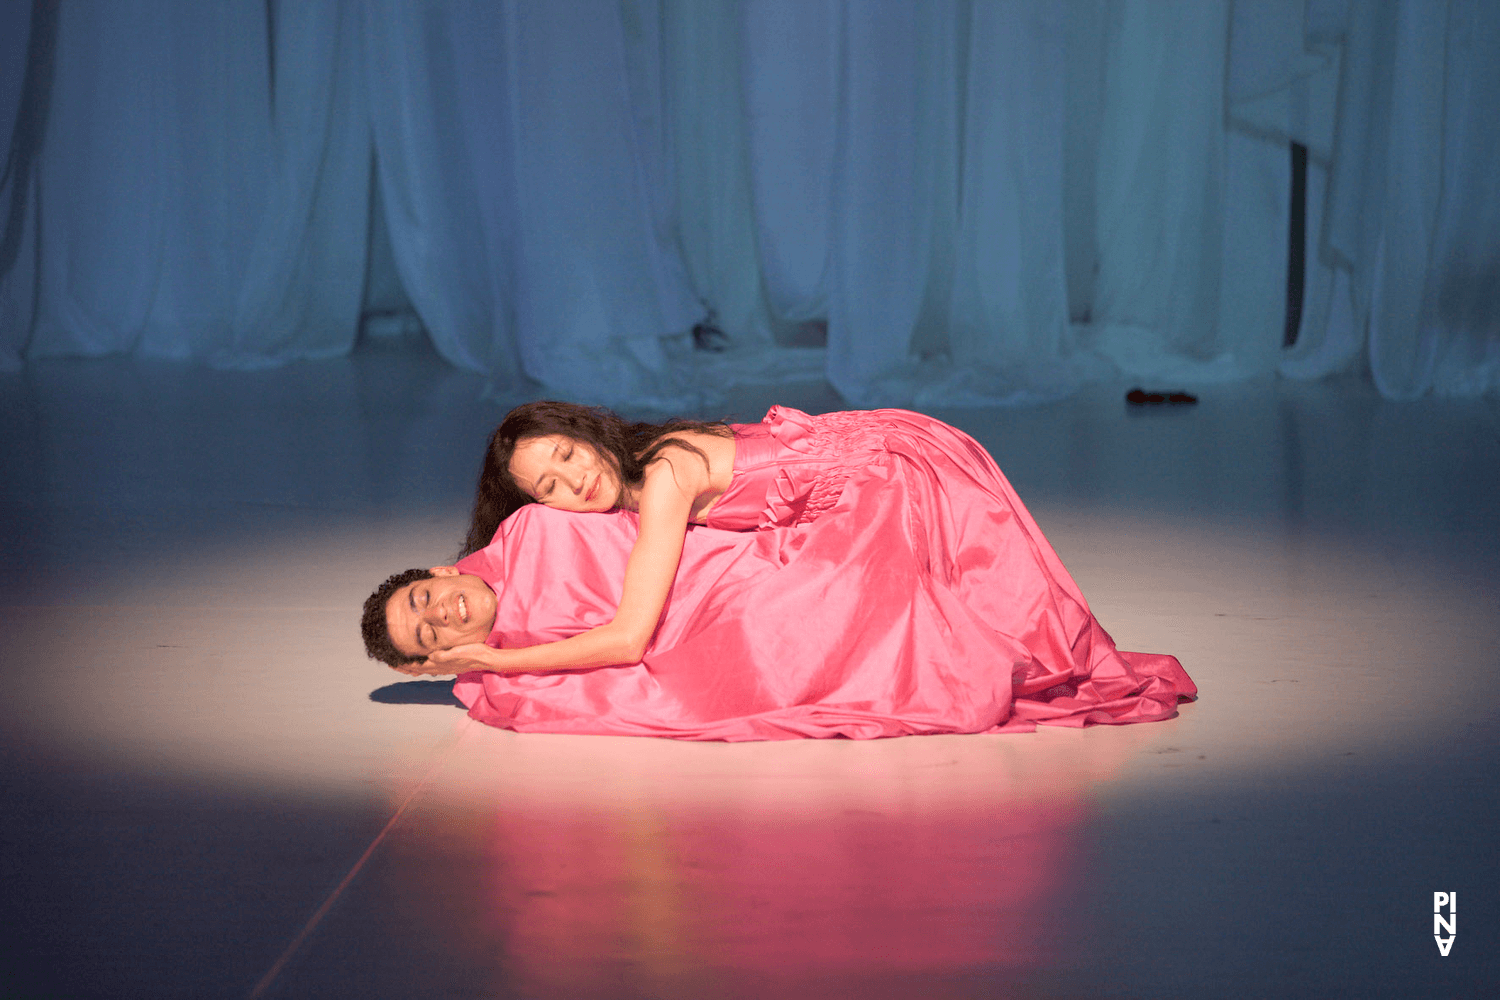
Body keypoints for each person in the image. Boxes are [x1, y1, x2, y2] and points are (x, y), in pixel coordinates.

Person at [361, 503, 1196, 741]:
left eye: (424, 602)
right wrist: (492, 668)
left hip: (708, 575)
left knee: (829, 589)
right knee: (799, 649)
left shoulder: (530, 529)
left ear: (439, 572)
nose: (440, 618)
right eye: (428, 637)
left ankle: (1013, 638)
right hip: (695, 633)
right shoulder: (499, 684)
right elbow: (610, 691)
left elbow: (640, 550)